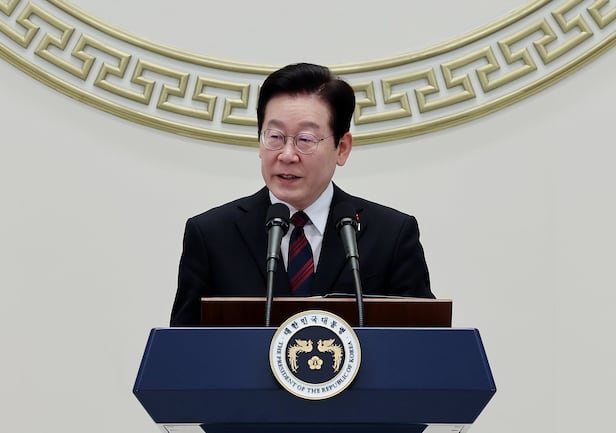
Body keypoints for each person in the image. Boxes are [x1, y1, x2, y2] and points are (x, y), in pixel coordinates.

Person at [170, 62, 433, 326]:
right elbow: (181, 346)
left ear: (342, 148)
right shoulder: (211, 236)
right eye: (275, 136)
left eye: (305, 139)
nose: (287, 155)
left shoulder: (391, 235)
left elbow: (424, 342)